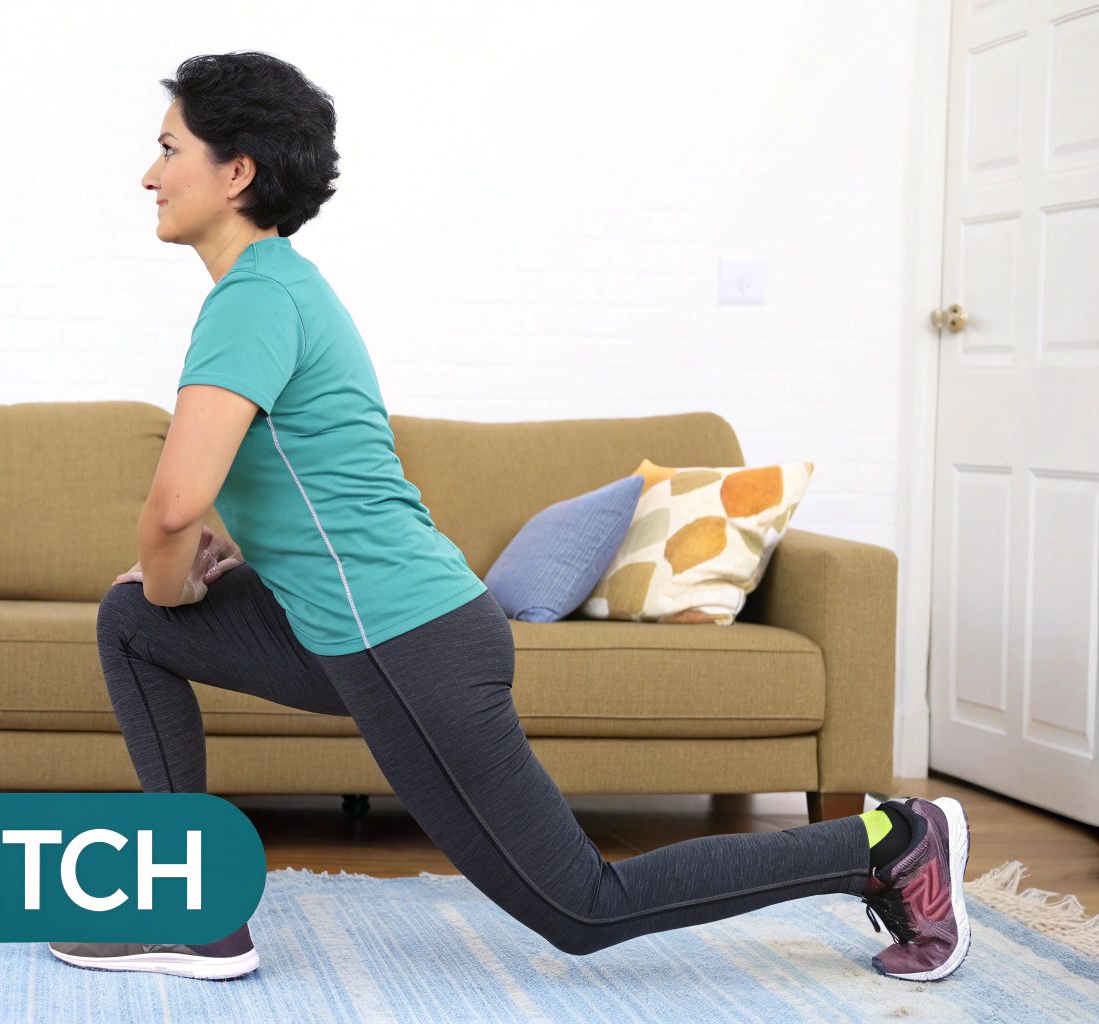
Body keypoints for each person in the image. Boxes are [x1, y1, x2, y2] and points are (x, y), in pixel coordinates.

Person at [47, 51, 971, 985]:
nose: (150, 174)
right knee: (133, 622)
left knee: (581, 907)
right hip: (353, 633)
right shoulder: (279, 287)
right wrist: (188, 575)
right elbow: (301, 480)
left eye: (169, 149)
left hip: (407, 642)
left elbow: (172, 508)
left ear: (236, 171)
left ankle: (890, 843)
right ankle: (192, 909)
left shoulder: (252, 298)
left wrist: (173, 577)